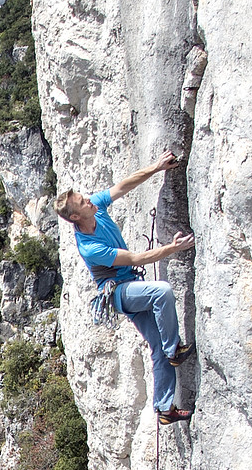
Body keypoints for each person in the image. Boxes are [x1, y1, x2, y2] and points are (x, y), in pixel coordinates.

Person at [56, 151, 196, 425]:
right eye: (83, 202)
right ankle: (175, 350)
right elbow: (134, 258)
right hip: (118, 292)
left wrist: (156, 167)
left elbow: (123, 186)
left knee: (156, 345)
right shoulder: (89, 246)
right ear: (75, 215)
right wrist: (173, 248)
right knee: (161, 292)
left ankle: (164, 409)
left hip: (131, 284)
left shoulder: (95, 208)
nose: (89, 199)